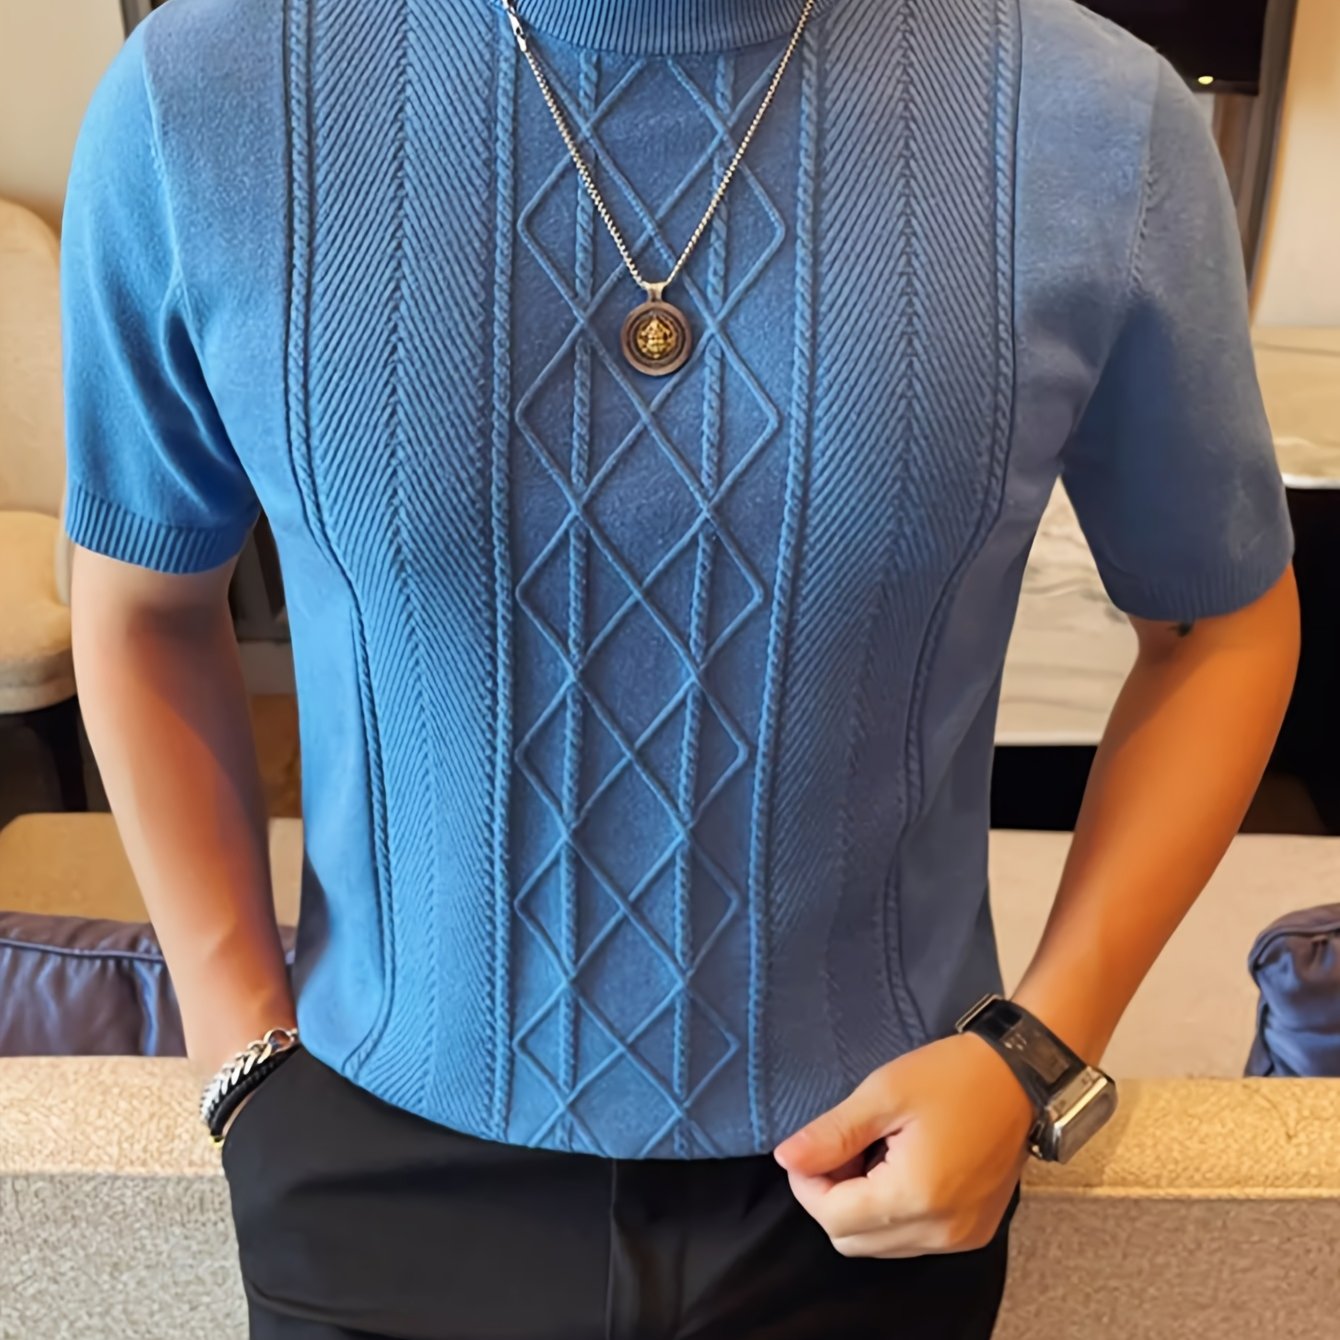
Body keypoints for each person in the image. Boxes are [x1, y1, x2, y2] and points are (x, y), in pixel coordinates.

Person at [59, 0, 1299, 1335]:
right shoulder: (205, 97)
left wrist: (1039, 1053)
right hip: (371, 1172)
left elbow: (1218, 629)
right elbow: (142, 603)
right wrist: (240, 1049)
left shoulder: (1097, 121)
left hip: (881, 1172)